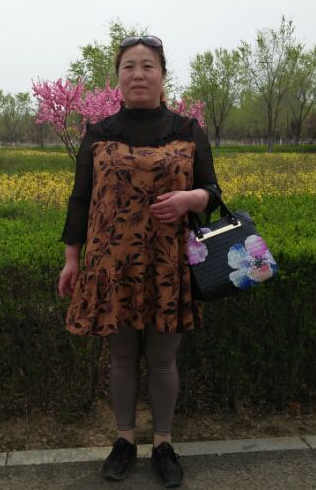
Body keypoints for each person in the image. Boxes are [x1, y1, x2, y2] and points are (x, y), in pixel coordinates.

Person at [57, 35, 221, 487]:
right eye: (129, 66)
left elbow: (213, 192)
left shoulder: (188, 130)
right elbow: (80, 198)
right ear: (118, 78)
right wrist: (72, 258)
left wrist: (191, 198)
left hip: (169, 264)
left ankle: (163, 444)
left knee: (164, 360)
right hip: (113, 266)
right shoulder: (98, 132)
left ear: (163, 76)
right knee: (122, 357)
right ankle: (125, 440)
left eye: (148, 66)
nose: (138, 74)